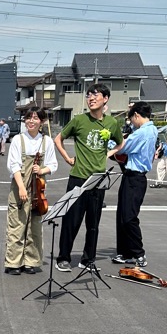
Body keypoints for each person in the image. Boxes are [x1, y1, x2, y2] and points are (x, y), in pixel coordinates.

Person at [53, 84, 125, 271]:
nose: (91, 98)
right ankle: (63, 258)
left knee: (93, 223)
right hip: (78, 177)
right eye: (89, 96)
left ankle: (88, 259)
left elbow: (121, 143)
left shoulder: (111, 123)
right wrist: (68, 158)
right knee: (71, 220)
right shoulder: (78, 120)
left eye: (96, 95)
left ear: (106, 99)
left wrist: (108, 154)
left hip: (99, 179)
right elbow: (58, 139)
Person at [4, 107, 58, 274]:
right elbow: (13, 165)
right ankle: (13, 262)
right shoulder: (17, 140)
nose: (31, 121)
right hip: (19, 185)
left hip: (38, 188)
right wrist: (21, 187)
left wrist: (41, 171)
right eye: (28, 118)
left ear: (41, 121)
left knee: (35, 225)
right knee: (17, 225)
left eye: (35, 118)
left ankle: (31, 261)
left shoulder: (47, 141)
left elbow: (53, 165)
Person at [109, 102, 157, 267]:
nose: (131, 123)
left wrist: (109, 141)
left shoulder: (141, 133)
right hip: (133, 176)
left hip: (134, 178)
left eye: (131, 119)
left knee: (128, 217)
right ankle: (126, 253)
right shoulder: (152, 129)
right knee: (123, 215)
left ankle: (138, 253)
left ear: (136, 115)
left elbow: (122, 148)